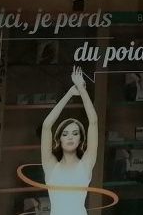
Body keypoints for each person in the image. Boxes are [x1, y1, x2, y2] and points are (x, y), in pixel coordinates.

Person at [40, 66, 101, 215]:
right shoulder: (50, 166)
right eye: (65, 134)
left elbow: (93, 122)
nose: (70, 137)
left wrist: (82, 89)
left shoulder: (85, 165)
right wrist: (69, 94)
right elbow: (46, 126)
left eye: (75, 133)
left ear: (80, 139)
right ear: (59, 139)